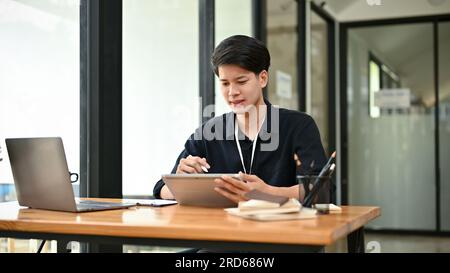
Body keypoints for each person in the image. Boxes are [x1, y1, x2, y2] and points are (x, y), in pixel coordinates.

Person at [153, 35, 327, 204]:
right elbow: (160, 189)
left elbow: (322, 190)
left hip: (281, 231)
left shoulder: (298, 126)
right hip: (223, 231)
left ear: (263, 78)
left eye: (241, 81)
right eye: (225, 83)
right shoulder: (208, 133)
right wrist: (181, 182)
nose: (232, 92)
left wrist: (266, 192)